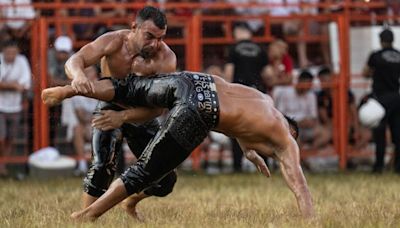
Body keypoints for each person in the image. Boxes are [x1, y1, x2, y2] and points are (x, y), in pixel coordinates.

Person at [42, 71, 314, 220]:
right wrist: (312, 221)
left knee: (133, 86)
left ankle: (73, 88)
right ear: (291, 131)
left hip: (195, 81)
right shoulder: (286, 141)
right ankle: (87, 216)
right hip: (204, 110)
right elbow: (300, 188)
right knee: (145, 172)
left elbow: (242, 122)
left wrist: (248, 151)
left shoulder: (264, 100)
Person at [64, 6, 177, 219]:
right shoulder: (113, 41)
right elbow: (74, 60)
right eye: (149, 36)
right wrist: (78, 76)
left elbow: (158, 108)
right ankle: (86, 218)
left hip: (142, 113)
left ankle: (130, 202)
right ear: (134, 27)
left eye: (160, 38)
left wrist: (123, 117)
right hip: (110, 105)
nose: (155, 44)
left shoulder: (165, 58)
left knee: (166, 179)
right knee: (101, 166)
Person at [224, 22, 268, 172]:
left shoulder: (234, 49)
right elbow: (268, 74)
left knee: (236, 129)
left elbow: (229, 74)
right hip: (257, 94)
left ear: (238, 31)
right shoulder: (260, 49)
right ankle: (265, 163)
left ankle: (237, 166)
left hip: (239, 94)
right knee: (261, 128)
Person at [362, 28, 400, 174]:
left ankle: (378, 167)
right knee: (397, 134)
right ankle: (398, 167)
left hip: (380, 99)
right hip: (396, 98)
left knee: (380, 133)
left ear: (381, 40)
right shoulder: (398, 55)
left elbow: (365, 72)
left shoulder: (376, 55)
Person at [0, 40, 31, 176]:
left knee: (10, 139)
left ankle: (3, 165)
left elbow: (26, 84)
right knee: (1, 137)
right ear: (3, 52)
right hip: (0, 106)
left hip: (15, 107)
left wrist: (6, 85)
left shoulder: (22, 60)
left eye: (13, 52)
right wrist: (13, 85)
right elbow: (18, 85)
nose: (11, 55)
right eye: (8, 53)